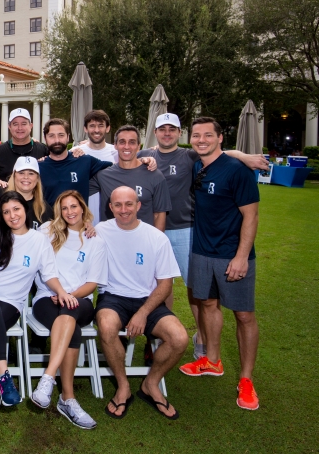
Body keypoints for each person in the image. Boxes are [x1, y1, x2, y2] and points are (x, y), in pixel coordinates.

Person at [138, 113, 269, 361]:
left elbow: (220, 154)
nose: (167, 133)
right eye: (162, 129)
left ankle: (203, 339)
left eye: (172, 129)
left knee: (197, 291)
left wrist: (242, 156)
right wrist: (80, 148)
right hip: (153, 232)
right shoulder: (144, 155)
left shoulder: (190, 156)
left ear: (179, 133)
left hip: (187, 230)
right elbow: (118, 158)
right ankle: (158, 337)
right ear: (155, 133)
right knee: (159, 286)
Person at [0, 191, 76, 423]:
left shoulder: (39, 241)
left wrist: (62, 291)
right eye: (6, 212)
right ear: (0, 216)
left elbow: (49, 274)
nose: (12, 215)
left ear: (25, 209)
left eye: (16, 209)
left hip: (10, 303)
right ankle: (5, 376)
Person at [178, 118, 262, 411]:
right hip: (202, 251)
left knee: (244, 315)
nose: (201, 140)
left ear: (220, 137)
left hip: (232, 254)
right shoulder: (197, 166)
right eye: (196, 135)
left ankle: (246, 380)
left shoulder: (237, 171)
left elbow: (251, 216)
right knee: (207, 304)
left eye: (207, 135)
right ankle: (212, 361)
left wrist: (241, 256)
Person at [95, 187, 188, 421]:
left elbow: (165, 284)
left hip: (148, 299)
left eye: (129, 204)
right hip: (113, 296)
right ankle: (123, 385)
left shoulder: (156, 237)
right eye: (118, 205)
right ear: (110, 207)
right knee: (106, 326)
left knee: (179, 338)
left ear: (138, 205)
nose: (123, 210)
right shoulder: (100, 231)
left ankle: (151, 383)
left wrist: (143, 312)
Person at [30, 191, 107, 429]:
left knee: (70, 310)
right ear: (59, 211)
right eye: (64, 208)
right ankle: (67, 398)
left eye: (74, 206)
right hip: (46, 297)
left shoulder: (95, 240)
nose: (70, 212)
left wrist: (68, 295)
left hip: (80, 300)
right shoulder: (48, 231)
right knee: (72, 329)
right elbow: (21, 238)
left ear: (83, 208)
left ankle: (48, 376)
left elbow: (92, 283)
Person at [93, 125, 171, 231]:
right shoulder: (103, 175)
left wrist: (157, 240)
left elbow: (159, 214)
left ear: (138, 146)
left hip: (143, 238)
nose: (126, 146)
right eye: (122, 142)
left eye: (132, 142)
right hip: (111, 238)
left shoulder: (155, 175)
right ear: (115, 145)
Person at [38, 118, 112, 207]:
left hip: (80, 216)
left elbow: (116, 167)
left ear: (68, 137)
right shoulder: (38, 167)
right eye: (51, 136)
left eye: (61, 135)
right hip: (49, 216)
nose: (57, 140)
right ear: (45, 138)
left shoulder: (84, 161)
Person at [0, 156, 53, 230]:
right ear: (14, 175)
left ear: (37, 178)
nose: (26, 177)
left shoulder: (44, 210)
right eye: (21, 173)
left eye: (31, 173)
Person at [72, 109, 117, 222]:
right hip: (82, 219)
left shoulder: (117, 153)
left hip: (111, 217)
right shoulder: (75, 153)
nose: (96, 130)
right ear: (85, 129)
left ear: (107, 128)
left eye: (101, 126)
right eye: (92, 126)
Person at [0, 108, 49, 181]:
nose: (20, 128)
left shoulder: (43, 150)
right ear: (9, 126)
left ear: (31, 126)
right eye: (15, 124)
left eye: (24, 124)